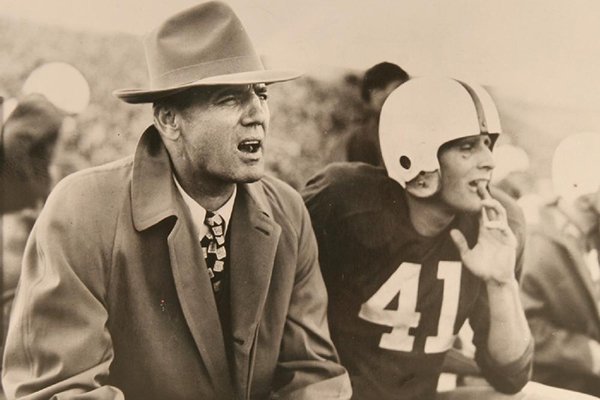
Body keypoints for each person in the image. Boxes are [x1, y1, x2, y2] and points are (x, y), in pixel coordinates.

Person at [2, 2, 351, 399]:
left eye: (262, 93)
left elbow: (313, 375)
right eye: (229, 99)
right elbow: (59, 389)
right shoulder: (82, 212)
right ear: (169, 120)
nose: (258, 115)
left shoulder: (287, 213)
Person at [303, 77, 534, 399]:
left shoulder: (496, 222)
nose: (489, 161)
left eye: (487, 144)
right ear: (416, 157)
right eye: (467, 147)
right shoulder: (342, 200)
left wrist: (501, 282)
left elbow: (510, 378)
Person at [521, 132, 600, 396]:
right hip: (557, 389)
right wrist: (588, 355)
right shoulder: (536, 242)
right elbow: (523, 328)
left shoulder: (591, 235)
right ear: (587, 196)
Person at [346, 62, 409, 166]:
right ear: (376, 93)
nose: (404, 96)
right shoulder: (361, 138)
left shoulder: (409, 129)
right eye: (397, 88)